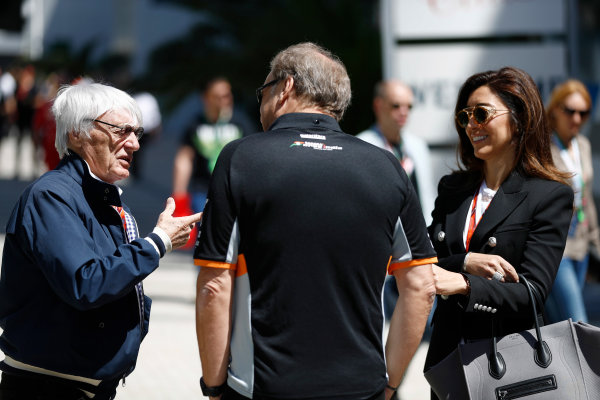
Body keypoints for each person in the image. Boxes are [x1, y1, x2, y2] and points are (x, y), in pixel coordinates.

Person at [194, 42, 437, 400]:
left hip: (264, 388)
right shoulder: (386, 167)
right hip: (362, 388)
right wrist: (389, 383)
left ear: (286, 88)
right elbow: (421, 287)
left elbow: (214, 285)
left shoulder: (240, 159)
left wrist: (213, 387)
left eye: (264, 91)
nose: (260, 102)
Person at [0, 82, 203, 400]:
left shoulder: (100, 196)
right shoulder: (51, 195)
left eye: (137, 132)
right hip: (47, 388)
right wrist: (158, 242)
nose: (134, 143)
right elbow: (87, 282)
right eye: (122, 130)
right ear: (76, 134)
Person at [423, 67, 574, 400]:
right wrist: (465, 263)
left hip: (508, 364)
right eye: (465, 116)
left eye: (481, 114)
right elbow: (423, 263)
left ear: (518, 118)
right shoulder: (453, 189)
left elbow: (532, 292)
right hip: (447, 362)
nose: (472, 125)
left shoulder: (549, 196)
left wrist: (464, 285)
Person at [358, 79, 437, 321]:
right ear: (378, 106)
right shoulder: (362, 146)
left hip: (418, 250)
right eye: (396, 106)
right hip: (382, 255)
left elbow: (427, 197)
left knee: (424, 324)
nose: (403, 113)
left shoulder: (417, 147)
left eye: (408, 107)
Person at [544, 79, 600, 324]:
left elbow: (586, 196)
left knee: (562, 326)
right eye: (570, 111)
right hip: (556, 246)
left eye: (583, 112)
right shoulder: (543, 148)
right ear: (555, 109)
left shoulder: (583, 145)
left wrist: (596, 240)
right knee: (578, 321)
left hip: (581, 243)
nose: (576, 119)